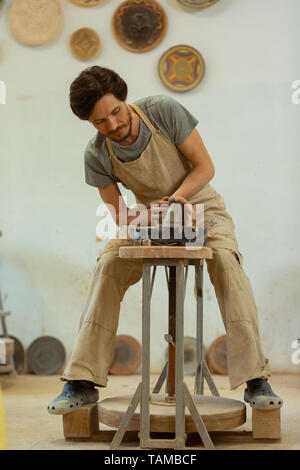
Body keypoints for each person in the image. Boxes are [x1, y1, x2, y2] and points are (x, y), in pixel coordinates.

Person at [47, 66, 282, 414]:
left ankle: (255, 379)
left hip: (202, 208)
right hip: (150, 218)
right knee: (108, 266)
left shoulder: (162, 111)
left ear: (124, 99)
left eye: (115, 112)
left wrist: (177, 199)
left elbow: (205, 167)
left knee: (227, 264)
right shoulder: (96, 154)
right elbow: (119, 214)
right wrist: (146, 216)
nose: (113, 126)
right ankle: (81, 381)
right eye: (100, 122)